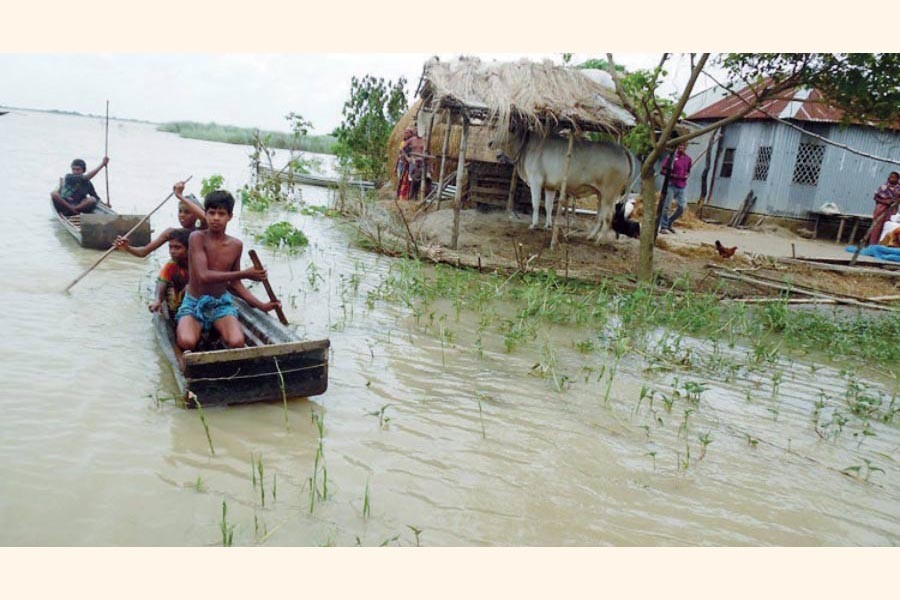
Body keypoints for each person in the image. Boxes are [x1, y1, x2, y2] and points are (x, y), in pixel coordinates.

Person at [175, 190, 280, 354]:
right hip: (194, 302)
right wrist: (246, 273)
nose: (216, 218)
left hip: (220, 303)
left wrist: (262, 306)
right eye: (211, 213)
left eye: (221, 214)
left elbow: (236, 284)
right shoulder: (197, 237)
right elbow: (204, 275)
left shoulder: (236, 245)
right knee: (187, 342)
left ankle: (216, 333)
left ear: (230, 216)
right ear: (206, 214)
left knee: (237, 341)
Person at [115, 181, 207, 257]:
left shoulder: (202, 231)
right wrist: (127, 247)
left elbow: (205, 218)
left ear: (196, 215)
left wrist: (180, 196)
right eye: (180, 211)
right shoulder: (172, 233)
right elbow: (144, 252)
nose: (182, 215)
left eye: (187, 212)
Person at [149, 227, 191, 316]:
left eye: (177, 248)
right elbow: (162, 280)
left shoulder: (199, 263)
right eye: (170, 247)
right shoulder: (173, 263)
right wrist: (158, 300)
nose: (172, 251)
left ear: (189, 249)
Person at [659, 143, 693, 234]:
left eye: (683, 146)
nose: (681, 148)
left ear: (686, 147)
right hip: (671, 184)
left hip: (681, 185)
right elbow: (662, 170)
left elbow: (688, 171)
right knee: (666, 206)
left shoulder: (688, 159)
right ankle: (663, 226)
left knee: (682, 207)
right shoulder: (671, 157)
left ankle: (670, 222)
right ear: (677, 147)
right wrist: (671, 174)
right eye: (680, 146)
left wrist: (686, 176)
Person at [869, 171, 900, 245]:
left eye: (894, 177)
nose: (892, 178)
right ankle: (872, 245)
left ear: (898, 179)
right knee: (877, 227)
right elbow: (876, 197)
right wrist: (885, 201)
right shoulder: (883, 187)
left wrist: (895, 201)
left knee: (888, 227)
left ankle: (883, 244)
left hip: (892, 210)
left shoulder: (898, 189)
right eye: (890, 177)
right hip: (881, 209)